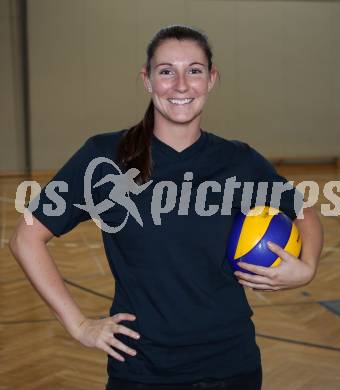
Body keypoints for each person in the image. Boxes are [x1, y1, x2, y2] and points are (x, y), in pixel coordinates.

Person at [9, 25, 323, 390]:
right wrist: (79, 325)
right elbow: (25, 239)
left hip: (231, 366)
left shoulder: (238, 161)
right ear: (147, 80)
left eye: (194, 70)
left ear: (211, 79)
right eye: (165, 71)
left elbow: (303, 210)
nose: (180, 84)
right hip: (143, 371)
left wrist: (309, 268)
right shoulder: (104, 158)